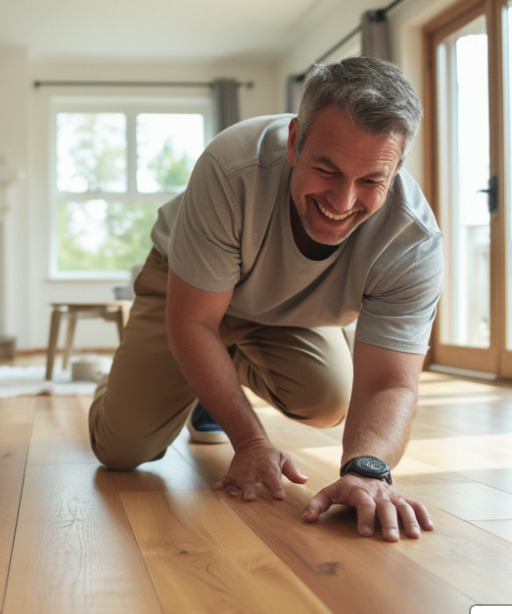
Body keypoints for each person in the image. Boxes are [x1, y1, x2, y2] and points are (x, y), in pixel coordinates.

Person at [87, 56, 443, 542]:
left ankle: (213, 386)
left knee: (327, 399)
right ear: (295, 141)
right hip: (188, 293)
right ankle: (125, 380)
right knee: (122, 451)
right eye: (326, 169)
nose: (341, 203)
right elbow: (193, 324)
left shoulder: (413, 240)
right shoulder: (232, 165)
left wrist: (368, 470)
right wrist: (251, 440)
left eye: (370, 181)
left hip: (286, 312)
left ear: (397, 168)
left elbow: (389, 384)